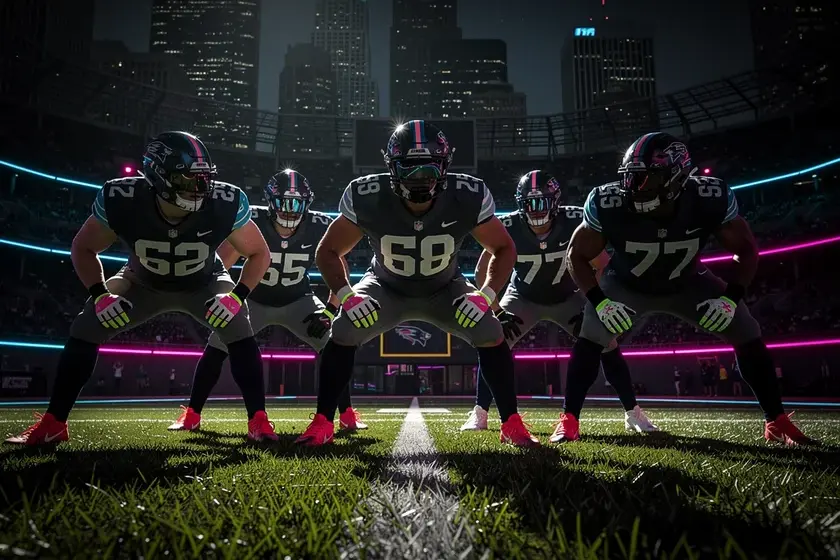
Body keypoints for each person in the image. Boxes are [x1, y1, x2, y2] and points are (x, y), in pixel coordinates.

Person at [5, 131, 278, 445]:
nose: (200, 187)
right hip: (141, 281)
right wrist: (100, 294)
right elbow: (83, 247)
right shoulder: (122, 198)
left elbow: (260, 253)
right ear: (158, 175)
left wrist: (236, 295)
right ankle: (54, 423)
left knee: (237, 320)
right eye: (188, 179)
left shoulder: (225, 200)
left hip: (203, 281)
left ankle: (258, 420)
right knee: (87, 323)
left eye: (204, 178)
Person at [295, 120, 538, 447]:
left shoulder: (467, 194)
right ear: (391, 168)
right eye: (409, 169)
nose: (420, 179)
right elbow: (327, 251)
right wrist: (346, 295)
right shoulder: (367, 195)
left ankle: (511, 422)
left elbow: (505, 248)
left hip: (445, 288)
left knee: (490, 330)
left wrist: (486, 295)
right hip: (386, 287)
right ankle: (323, 420)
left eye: (430, 169)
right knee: (344, 328)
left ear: (446, 166)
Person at [561, 131, 814, 445]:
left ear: (675, 177)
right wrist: (599, 301)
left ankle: (775, 419)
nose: (633, 187)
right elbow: (576, 255)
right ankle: (569, 419)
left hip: (688, 282)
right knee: (591, 332)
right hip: (626, 284)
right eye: (630, 177)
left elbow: (747, 250)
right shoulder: (608, 201)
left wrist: (731, 298)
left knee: (745, 328)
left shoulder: (709, 197)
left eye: (645, 178)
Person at [459, 170, 657, 437]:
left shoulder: (574, 220)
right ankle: (480, 412)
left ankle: (632, 412)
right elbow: (484, 269)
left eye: (542, 202)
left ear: (556, 202)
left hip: (567, 297)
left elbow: (601, 265)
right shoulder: (509, 225)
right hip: (523, 297)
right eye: (530, 203)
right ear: (520, 204)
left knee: (606, 341)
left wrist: (591, 302)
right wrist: (495, 309)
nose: (536, 211)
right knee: (494, 340)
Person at [168, 170, 366, 432]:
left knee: (333, 345)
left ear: (308, 203)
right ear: (270, 201)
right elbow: (220, 265)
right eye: (283, 202)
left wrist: (330, 311)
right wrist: (222, 296)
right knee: (217, 346)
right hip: (254, 300)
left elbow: (338, 267)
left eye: (296, 203)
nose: (290, 210)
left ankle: (347, 413)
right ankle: (192, 414)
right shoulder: (254, 220)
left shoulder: (318, 225)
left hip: (299, 300)